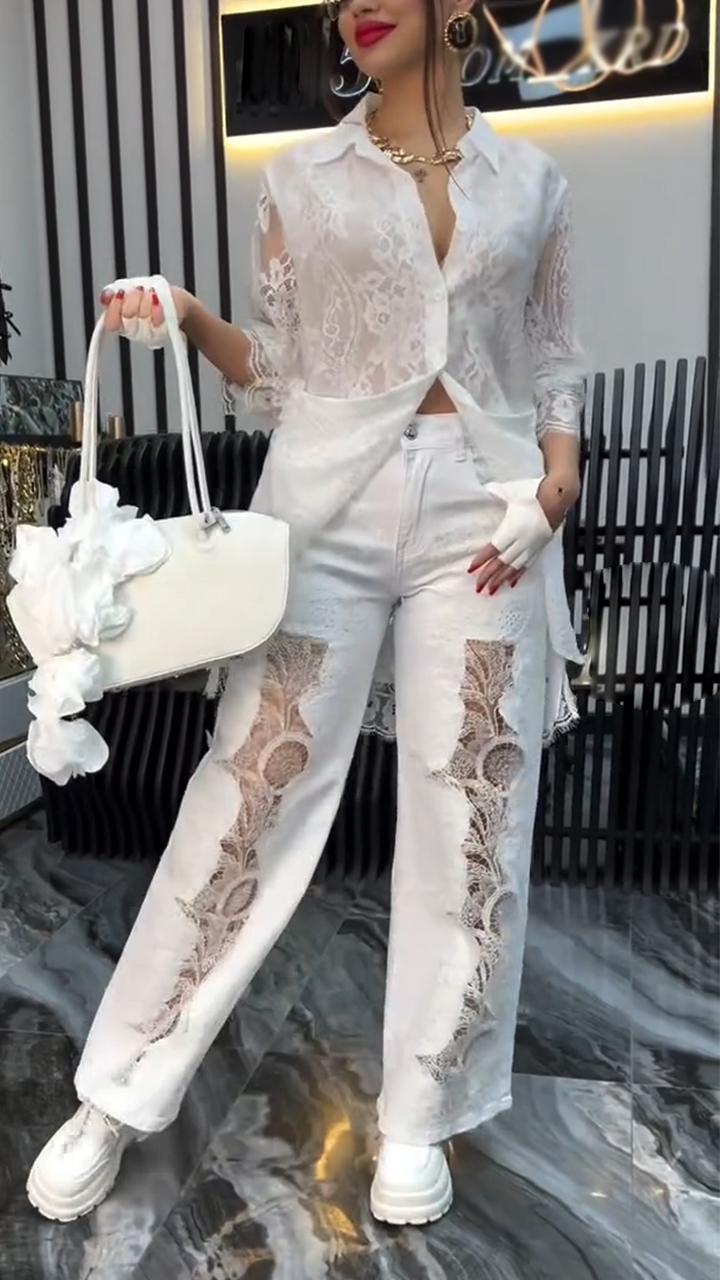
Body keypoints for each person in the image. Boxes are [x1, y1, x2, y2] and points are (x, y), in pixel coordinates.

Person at [27, 0, 585, 1227]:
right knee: (251, 790)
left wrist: (557, 483)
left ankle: (422, 1111)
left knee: (476, 805)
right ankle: (120, 1087)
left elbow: (551, 362)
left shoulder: (533, 182)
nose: (356, 5)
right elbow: (279, 373)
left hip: (486, 519)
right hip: (327, 510)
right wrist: (185, 313)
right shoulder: (301, 177)